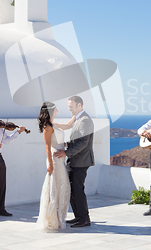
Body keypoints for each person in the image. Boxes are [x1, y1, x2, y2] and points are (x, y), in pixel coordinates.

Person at [54, 95, 94, 228]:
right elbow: (77, 139)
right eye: (69, 107)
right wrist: (68, 145)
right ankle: (78, 217)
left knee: (78, 190)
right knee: (71, 189)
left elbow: (83, 143)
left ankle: (84, 218)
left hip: (81, 162)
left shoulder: (85, 120)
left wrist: (66, 152)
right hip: (74, 161)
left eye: (71, 107)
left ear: (79, 105)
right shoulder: (78, 119)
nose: (69, 109)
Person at [35, 101, 75, 230]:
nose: (58, 111)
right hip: (54, 158)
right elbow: (47, 146)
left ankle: (58, 216)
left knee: (62, 186)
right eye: (56, 109)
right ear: (51, 111)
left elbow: (69, 125)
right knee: (55, 186)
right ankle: (52, 216)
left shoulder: (54, 124)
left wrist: (78, 113)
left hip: (60, 158)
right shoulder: (47, 127)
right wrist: (50, 164)